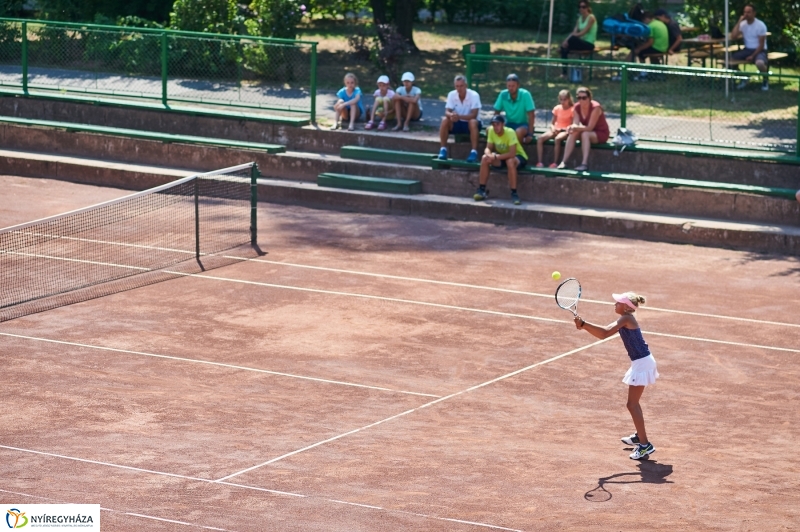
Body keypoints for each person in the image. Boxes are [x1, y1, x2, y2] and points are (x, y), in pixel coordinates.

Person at [573, 291, 658, 461]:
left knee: (632, 405)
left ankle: (645, 445)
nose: (614, 304)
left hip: (642, 363)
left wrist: (584, 324)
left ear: (626, 307)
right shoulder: (626, 319)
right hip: (641, 362)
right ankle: (639, 436)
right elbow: (602, 334)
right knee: (633, 404)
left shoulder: (626, 319)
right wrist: (584, 326)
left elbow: (604, 333)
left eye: (618, 302)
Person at [473, 115, 527, 205]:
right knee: (484, 158)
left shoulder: (510, 132)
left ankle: (514, 194)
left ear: (503, 124)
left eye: (498, 124)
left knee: (510, 161)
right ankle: (481, 190)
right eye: (494, 125)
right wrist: (488, 155)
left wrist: (495, 157)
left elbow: (512, 154)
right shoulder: (491, 130)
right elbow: (488, 147)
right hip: (502, 157)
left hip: (518, 156)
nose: (495, 127)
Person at [557, 86, 609, 172]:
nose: (581, 100)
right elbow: (576, 124)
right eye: (579, 98)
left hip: (600, 133)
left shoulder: (596, 107)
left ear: (589, 98)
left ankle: (584, 164)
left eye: (584, 98)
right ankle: (563, 162)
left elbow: (590, 127)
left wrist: (575, 127)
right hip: (588, 132)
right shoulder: (576, 107)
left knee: (585, 134)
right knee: (573, 132)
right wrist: (571, 127)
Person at [438, 74, 482, 162]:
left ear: (466, 85)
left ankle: (474, 152)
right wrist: (451, 115)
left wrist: (458, 116)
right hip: (457, 123)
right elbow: (447, 111)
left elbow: (474, 115)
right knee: (445, 120)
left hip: (471, 124)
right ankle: (443, 149)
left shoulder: (474, 95)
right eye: (457, 86)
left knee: (472, 122)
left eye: (461, 86)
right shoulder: (451, 94)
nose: (459, 88)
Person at [729, 3, 769, 91]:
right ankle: (744, 77)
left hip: (759, 50)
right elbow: (733, 36)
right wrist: (739, 21)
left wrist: (752, 56)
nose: (746, 14)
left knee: (759, 63)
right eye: (745, 12)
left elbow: (761, 45)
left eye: (749, 12)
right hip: (747, 49)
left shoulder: (760, 25)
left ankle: (765, 80)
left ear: (754, 13)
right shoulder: (743, 24)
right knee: (728, 61)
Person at [493, 73, 535, 145]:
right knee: (490, 130)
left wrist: (530, 134)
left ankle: (518, 154)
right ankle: (498, 153)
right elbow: (496, 112)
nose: (511, 88)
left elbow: (531, 115)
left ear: (518, 85)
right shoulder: (503, 94)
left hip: (523, 125)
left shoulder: (525, 94)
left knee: (518, 132)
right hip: (509, 124)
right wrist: (497, 125)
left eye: (513, 86)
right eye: (509, 86)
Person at [536, 89, 573, 168]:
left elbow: (572, 125)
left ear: (569, 99)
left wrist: (562, 129)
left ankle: (555, 162)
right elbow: (552, 123)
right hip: (556, 129)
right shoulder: (557, 108)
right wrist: (553, 128)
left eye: (565, 100)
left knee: (557, 139)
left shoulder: (572, 109)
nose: (562, 102)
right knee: (540, 138)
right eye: (561, 99)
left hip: (565, 131)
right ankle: (540, 162)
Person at [559, 1, 597, 76]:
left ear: (588, 8)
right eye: (580, 7)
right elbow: (574, 31)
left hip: (589, 44)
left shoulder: (591, 18)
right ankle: (564, 72)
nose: (581, 9)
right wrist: (566, 41)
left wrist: (571, 38)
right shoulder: (579, 19)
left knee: (572, 39)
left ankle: (568, 73)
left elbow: (583, 32)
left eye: (583, 7)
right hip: (580, 42)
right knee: (563, 48)